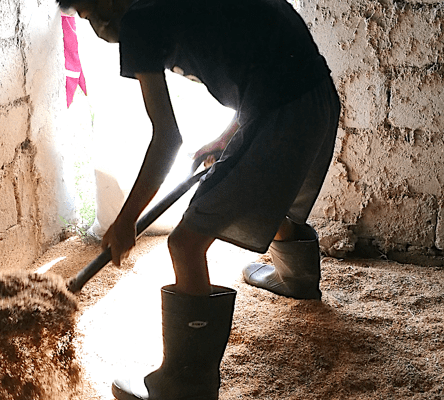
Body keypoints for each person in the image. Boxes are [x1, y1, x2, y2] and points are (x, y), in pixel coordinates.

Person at [56, 0, 341, 398]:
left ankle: (185, 384)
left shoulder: (138, 18)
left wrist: (125, 220)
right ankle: (298, 279)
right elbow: (264, 55)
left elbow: (167, 139)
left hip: (282, 112)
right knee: (267, 192)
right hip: (317, 96)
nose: (97, 28)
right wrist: (229, 136)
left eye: (87, 14)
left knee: (186, 243)